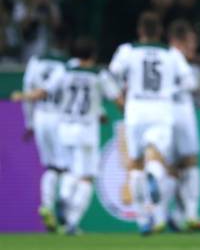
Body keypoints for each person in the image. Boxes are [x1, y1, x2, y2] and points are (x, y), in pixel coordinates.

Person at [13, 38, 121, 234]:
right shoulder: (99, 75)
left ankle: (61, 197)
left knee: (66, 169)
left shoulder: (64, 71)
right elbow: (115, 98)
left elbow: (42, 92)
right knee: (86, 176)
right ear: (94, 54)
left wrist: (24, 96)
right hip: (87, 130)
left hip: (65, 128)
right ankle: (71, 220)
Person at [109, 12, 196, 235]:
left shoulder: (127, 50)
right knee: (155, 157)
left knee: (135, 166)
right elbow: (190, 81)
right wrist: (169, 90)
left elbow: (113, 74)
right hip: (161, 109)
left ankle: (143, 219)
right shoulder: (172, 54)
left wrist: (121, 94)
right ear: (159, 32)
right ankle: (154, 177)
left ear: (140, 30)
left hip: (135, 110)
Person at [15, 30, 70, 231]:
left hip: (40, 116)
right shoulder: (67, 65)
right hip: (60, 117)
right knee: (66, 168)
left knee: (50, 166)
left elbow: (28, 90)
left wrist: (29, 122)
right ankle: (66, 214)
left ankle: (46, 206)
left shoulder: (35, 62)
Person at [167, 20, 200, 231]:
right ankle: (190, 213)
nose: (193, 48)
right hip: (181, 113)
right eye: (190, 43)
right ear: (178, 42)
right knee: (190, 163)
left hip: (163, 115)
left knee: (171, 168)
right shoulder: (176, 58)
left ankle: (170, 215)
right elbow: (191, 83)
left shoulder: (162, 56)